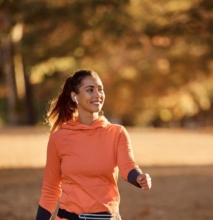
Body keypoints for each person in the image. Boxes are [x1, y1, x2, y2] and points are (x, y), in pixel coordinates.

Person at [35, 69, 152, 220]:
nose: (98, 95)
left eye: (100, 89)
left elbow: (128, 166)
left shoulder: (117, 133)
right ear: (74, 96)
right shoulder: (59, 138)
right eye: (90, 90)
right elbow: (51, 189)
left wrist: (139, 178)